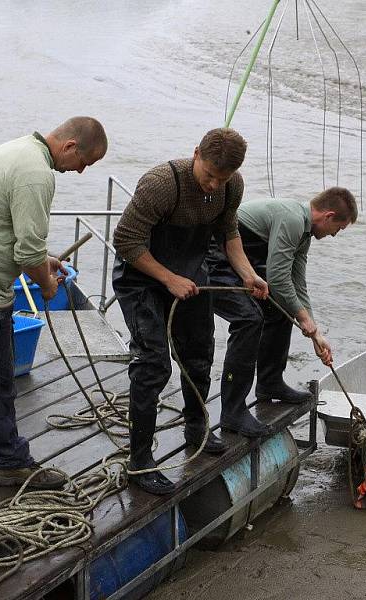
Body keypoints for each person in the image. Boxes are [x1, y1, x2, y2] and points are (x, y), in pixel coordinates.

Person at [0, 117, 108, 514]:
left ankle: (10, 463)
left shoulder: (19, 151)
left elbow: (10, 234)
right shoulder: (36, 174)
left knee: (0, 381)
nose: (81, 171)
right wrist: (46, 284)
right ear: (71, 146)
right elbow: (26, 253)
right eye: (85, 163)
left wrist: (42, 260)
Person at [112, 128, 268, 496]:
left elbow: (229, 234)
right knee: (153, 365)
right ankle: (140, 462)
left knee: (199, 355)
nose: (214, 184)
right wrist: (168, 279)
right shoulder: (162, 184)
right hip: (143, 279)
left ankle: (197, 428)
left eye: (222, 178)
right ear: (196, 153)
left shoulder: (231, 187)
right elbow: (126, 240)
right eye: (209, 174)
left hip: (192, 276)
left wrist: (249, 275)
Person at [207, 187, 357, 433]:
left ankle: (270, 383)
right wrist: (304, 319)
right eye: (338, 229)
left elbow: (297, 281)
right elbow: (277, 278)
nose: (334, 235)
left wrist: (314, 330)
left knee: (279, 311)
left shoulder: (304, 232)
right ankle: (232, 412)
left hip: (243, 258)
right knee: (249, 320)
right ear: (328, 216)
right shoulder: (293, 220)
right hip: (216, 253)